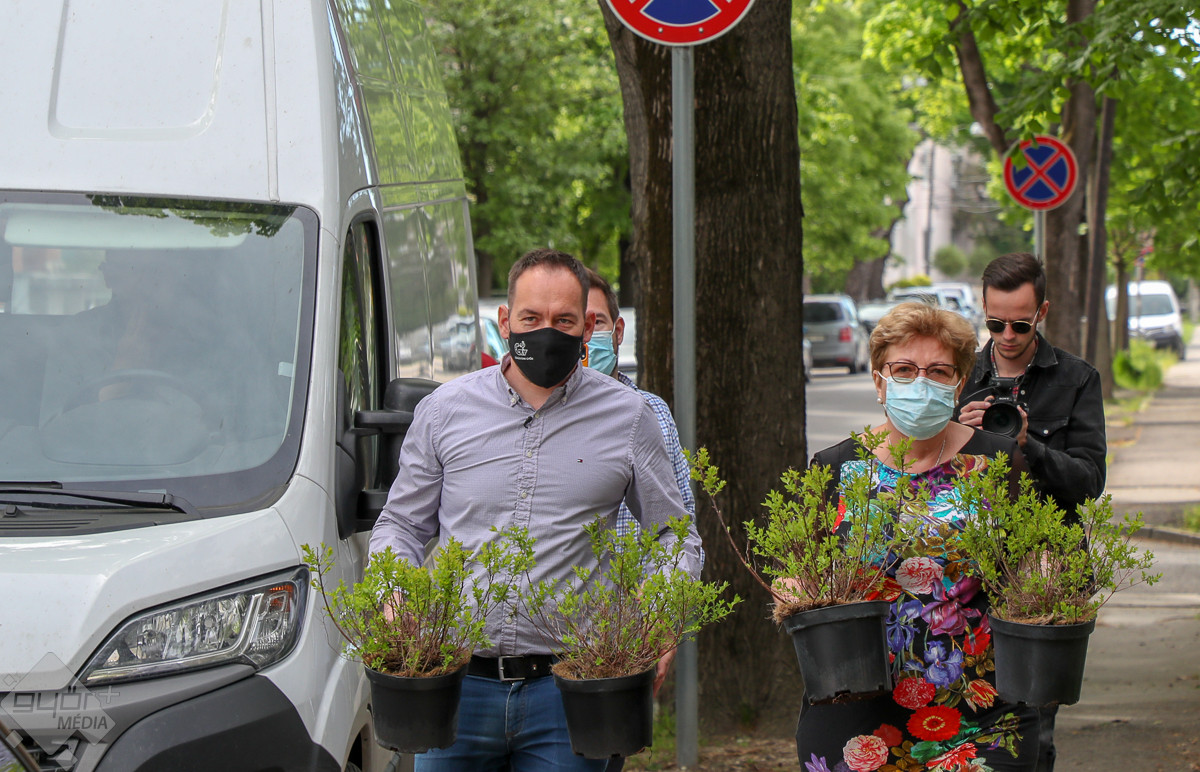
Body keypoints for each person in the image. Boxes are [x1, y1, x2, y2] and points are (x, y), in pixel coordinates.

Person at [371, 248, 703, 771]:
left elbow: (675, 534)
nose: (546, 332)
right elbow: (401, 525)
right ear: (505, 322)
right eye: (531, 318)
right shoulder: (444, 411)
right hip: (454, 687)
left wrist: (658, 612)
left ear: (587, 327)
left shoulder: (628, 416)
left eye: (563, 320)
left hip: (572, 693)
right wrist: (394, 595)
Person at [797, 302, 1041, 772]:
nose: (920, 383)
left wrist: (1049, 576)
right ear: (879, 381)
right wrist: (792, 590)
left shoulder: (997, 462)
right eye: (904, 370)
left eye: (938, 371)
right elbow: (801, 576)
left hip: (982, 712)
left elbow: (1029, 564)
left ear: (959, 384)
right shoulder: (836, 467)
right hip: (854, 712)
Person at [954, 252, 1107, 772]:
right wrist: (956, 429)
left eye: (1020, 324)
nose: (1007, 335)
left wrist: (1029, 446)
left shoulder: (1077, 379)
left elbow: (1089, 482)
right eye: (995, 323)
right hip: (965, 571)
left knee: (1034, 726)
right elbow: (919, 473)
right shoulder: (958, 377)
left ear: (1042, 311)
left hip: (1046, 572)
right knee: (966, 717)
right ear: (983, 309)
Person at [582, 269, 703, 772]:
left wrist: (660, 622)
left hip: (616, 648)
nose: (586, 336)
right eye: (574, 323)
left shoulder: (648, 412)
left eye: (596, 322)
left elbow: (677, 531)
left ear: (618, 331)